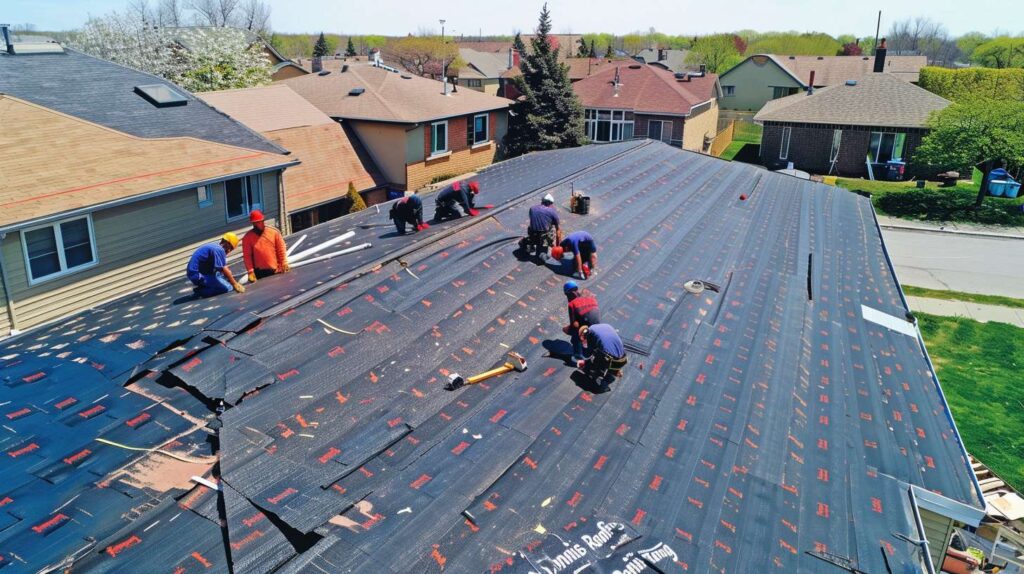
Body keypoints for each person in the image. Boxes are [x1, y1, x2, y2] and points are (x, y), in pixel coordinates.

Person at [187, 233, 244, 297]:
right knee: (228, 288)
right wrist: (234, 283)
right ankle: (200, 292)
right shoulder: (219, 250)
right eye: (231, 248)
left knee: (220, 275)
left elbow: (220, 267)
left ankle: (205, 285)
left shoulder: (216, 245)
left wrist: (228, 276)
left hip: (197, 271)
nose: (229, 250)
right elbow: (224, 268)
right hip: (197, 275)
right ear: (227, 243)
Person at [242, 210, 289, 283]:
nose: (261, 224)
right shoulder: (247, 238)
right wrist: (250, 271)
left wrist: (284, 263)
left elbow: (281, 248)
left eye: (262, 221)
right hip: (259, 274)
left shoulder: (273, 232)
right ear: (253, 223)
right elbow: (247, 256)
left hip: (275, 270)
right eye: (258, 222)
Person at [577, 323, 627, 388]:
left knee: (595, 358)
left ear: (583, 336)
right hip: (623, 358)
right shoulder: (603, 326)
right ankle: (615, 371)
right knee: (603, 349)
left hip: (612, 361)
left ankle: (600, 377)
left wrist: (584, 362)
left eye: (582, 340)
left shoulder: (590, 334)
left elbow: (588, 354)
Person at [563, 281, 600, 361]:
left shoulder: (572, 304)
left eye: (566, 295)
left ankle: (577, 356)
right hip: (597, 326)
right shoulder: (590, 297)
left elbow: (574, 325)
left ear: (569, 293)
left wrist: (567, 330)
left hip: (587, 327)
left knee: (574, 336)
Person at [525, 193, 561, 258]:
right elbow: (558, 230)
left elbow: (532, 219)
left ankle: (531, 245)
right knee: (552, 229)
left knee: (530, 228)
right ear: (550, 203)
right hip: (544, 234)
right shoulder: (552, 211)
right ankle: (545, 247)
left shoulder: (532, 208)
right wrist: (558, 246)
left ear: (542, 201)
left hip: (533, 231)